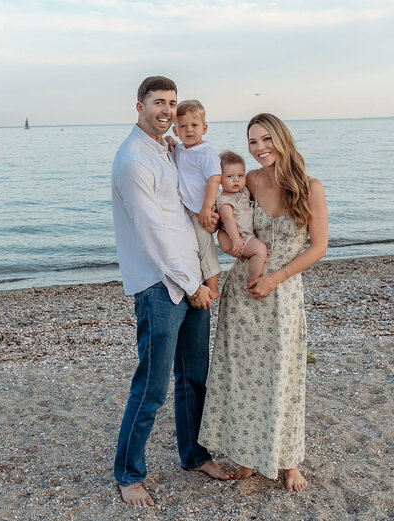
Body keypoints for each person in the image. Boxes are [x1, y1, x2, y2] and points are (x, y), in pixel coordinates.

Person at [111, 76, 232, 507]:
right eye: (159, 102)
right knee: (152, 386)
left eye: (172, 103)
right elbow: (151, 235)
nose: (166, 109)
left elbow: (185, 210)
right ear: (139, 106)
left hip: (191, 277)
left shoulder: (168, 148)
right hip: (161, 286)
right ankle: (128, 474)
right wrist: (193, 284)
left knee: (194, 378)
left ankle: (193, 454)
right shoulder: (132, 160)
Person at [198, 113, 328, 492]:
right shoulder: (249, 181)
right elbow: (222, 209)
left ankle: (288, 462)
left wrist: (275, 277)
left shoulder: (310, 187)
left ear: (282, 138)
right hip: (243, 291)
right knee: (241, 376)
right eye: (252, 142)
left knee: (283, 376)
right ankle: (247, 455)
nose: (259, 148)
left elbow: (319, 247)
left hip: (282, 292)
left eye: (266, 139)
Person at [167, 99, 222, 299]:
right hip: (184, 209)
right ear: (176, 131)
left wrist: (207, 208)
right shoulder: (181, 149)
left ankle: (213, 287)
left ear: (204, 128)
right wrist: (171, 142)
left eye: (194, 125)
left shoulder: (206, 153)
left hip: (200, 210)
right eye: (183, 126)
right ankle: (192, 281)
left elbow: (214, 180)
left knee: (205, 248)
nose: (189, 130)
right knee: (189, 247)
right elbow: (172, 148)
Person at [217, 150, 267, 283]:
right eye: (230, 177)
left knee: (260, 251)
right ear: (219, 179)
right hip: (241, 237)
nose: (236, 180)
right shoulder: (224, 201)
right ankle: (253, 278)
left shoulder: (243, 191)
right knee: (260, 251)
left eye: (240, 175)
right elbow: (228, 220)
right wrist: (236, 239)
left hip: (247, 235)